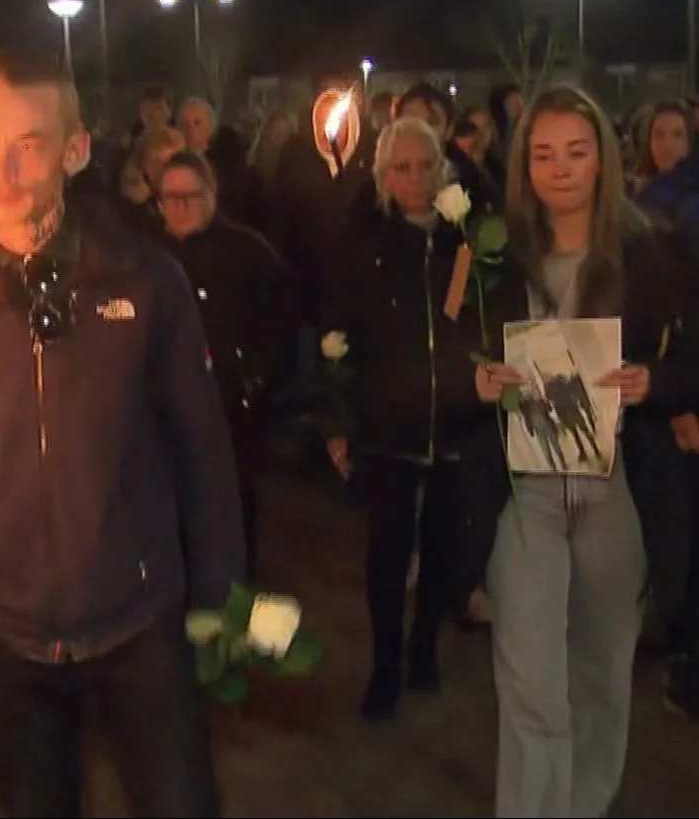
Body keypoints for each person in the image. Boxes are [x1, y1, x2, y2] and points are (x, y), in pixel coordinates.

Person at [0, 49, 244, 818]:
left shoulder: (145, 280)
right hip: (6, 631)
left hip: (139, 616)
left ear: (76, 149)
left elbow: (202, 448)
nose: (4, 170)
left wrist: (220, 592)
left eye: (30, 144)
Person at [471, 85, 695, 818]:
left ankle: (584, 804)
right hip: (525, 488)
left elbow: (689, 358)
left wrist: (654, 382)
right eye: (543, 154)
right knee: (530, 681)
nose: (560, 169)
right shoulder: (496, 254)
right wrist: (480, 377)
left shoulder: (649, 249)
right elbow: (458, 346)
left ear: (602, 156)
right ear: (523, 165)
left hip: (616, 484)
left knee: (601, 672)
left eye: (576, 151)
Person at [322, 117, 494, 722]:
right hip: (388, 424)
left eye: (426, 166)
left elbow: (485, 320)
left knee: (444, 544)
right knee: (388, 550)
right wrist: (339, 420)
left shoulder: (466, 243)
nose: (415, 179)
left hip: (455, 418)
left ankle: (424, 647)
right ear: (383, 176)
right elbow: (339, 337)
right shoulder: (366, 246)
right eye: (402, 168)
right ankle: (386, 664)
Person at [155, 150, 292, 580]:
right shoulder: (147, 256)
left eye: (190, 196)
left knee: (230, 517)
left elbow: (279, 325)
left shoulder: (247, 253)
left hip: (231, 412)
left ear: (211, 195)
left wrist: (254, 380)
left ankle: (232, 600)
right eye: (170, 198)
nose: (180, 207)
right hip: (164, 416)